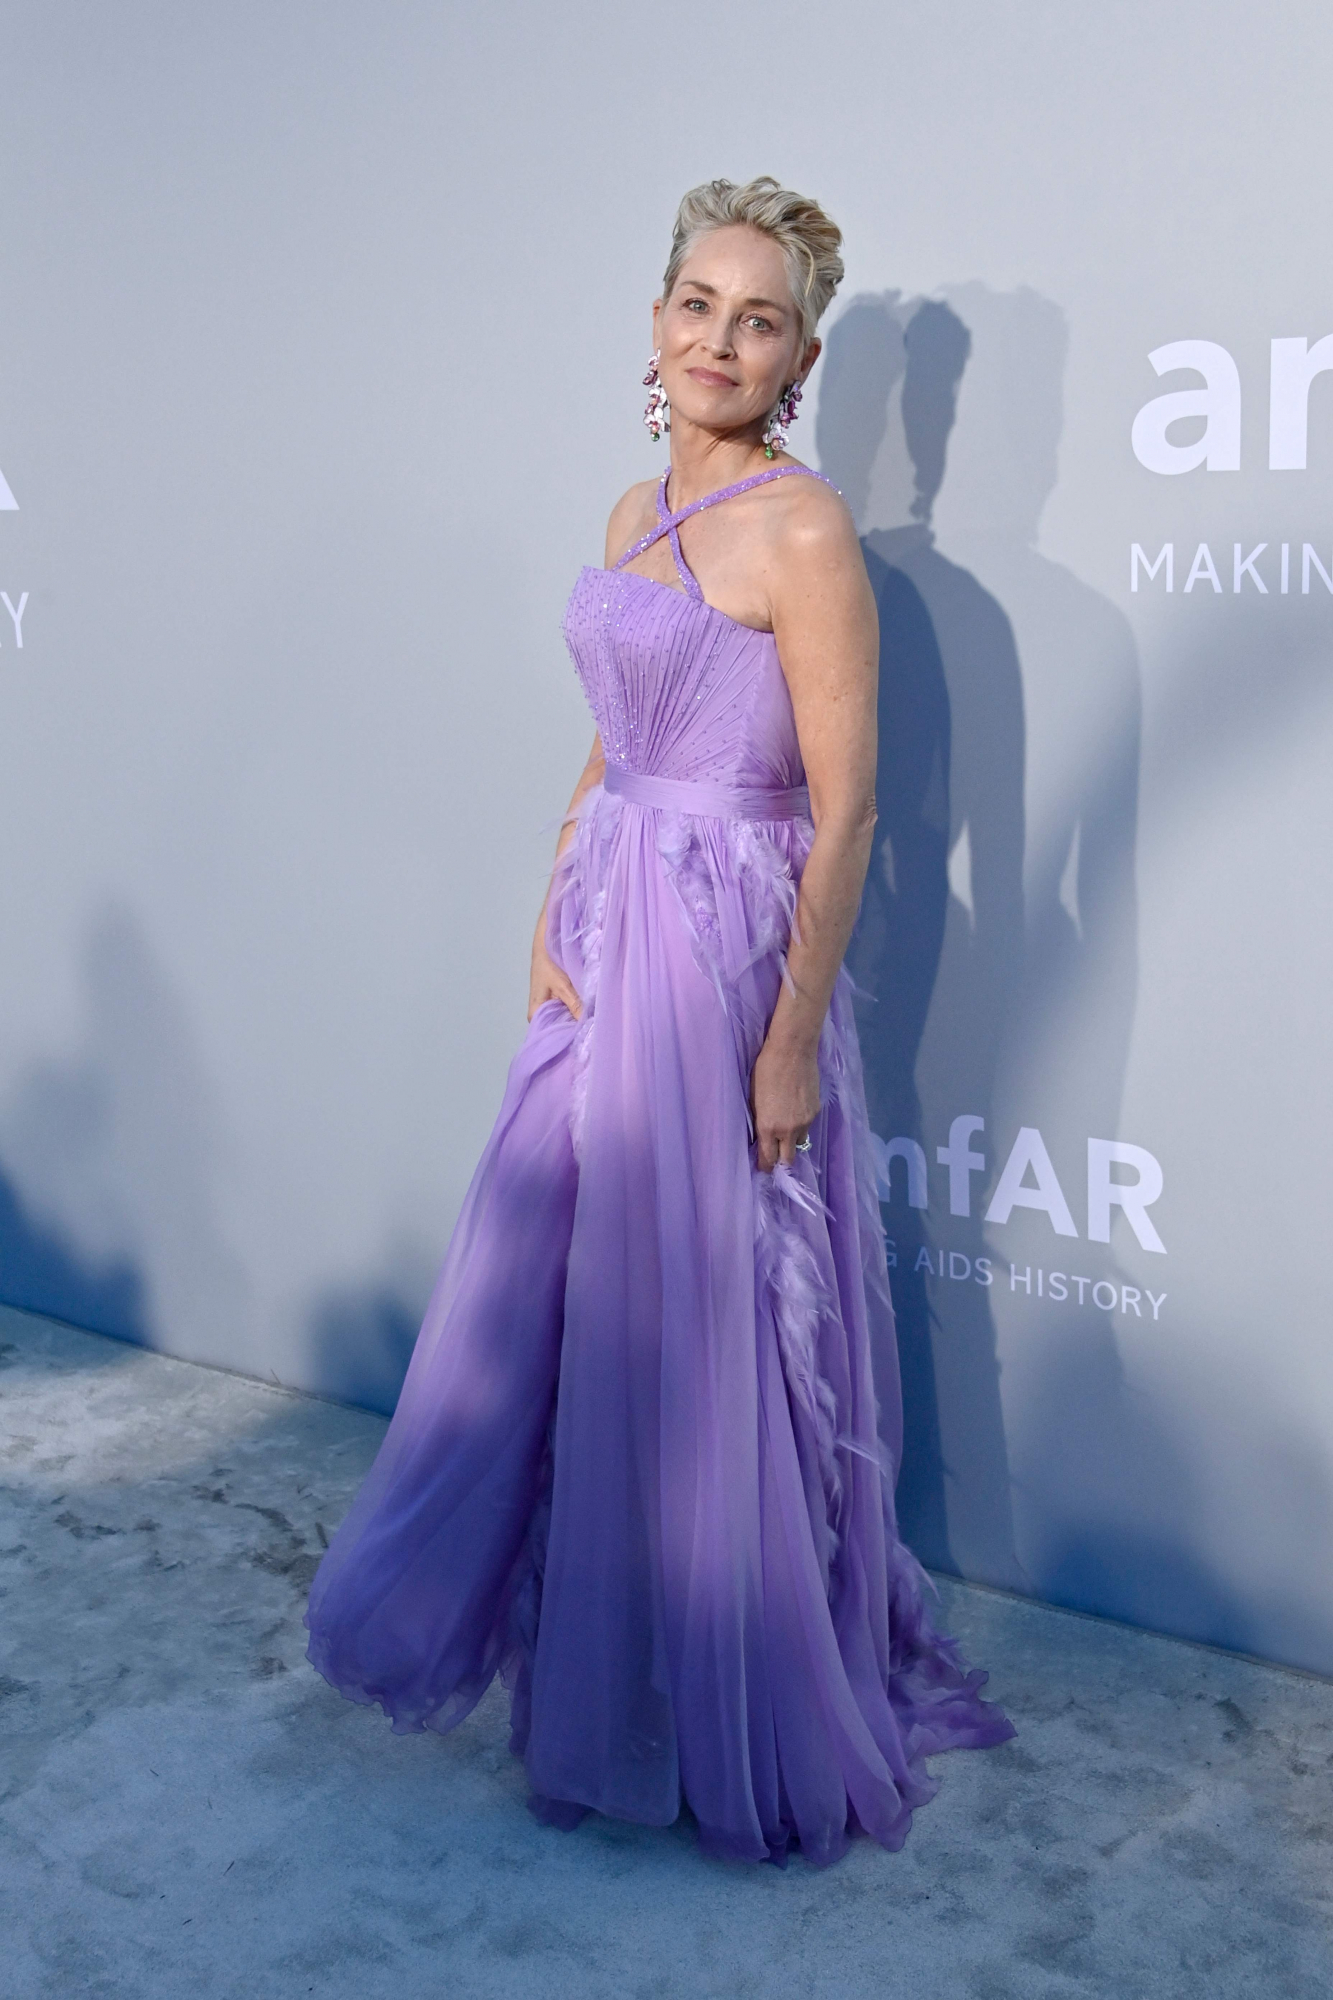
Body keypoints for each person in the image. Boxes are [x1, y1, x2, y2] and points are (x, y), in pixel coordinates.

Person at [306, 176, 1013, 1868]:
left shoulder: (806, 532)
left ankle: (711, 1699)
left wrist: (786, 1036)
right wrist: (553, 897)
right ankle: (597, 1669)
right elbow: (617, 730)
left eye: (756, 318)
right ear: (654, 321)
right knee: (571, 1310)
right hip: (611, 924)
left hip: (722, 954)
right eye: (696, 303)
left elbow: (841, 816)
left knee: (702, 1334)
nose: (719, 339)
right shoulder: (632, 505)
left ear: (802, 356)